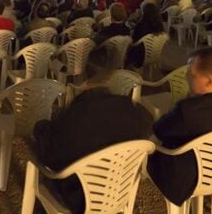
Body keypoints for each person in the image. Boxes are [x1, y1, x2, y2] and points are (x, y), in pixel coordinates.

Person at [33, 56, 149, 214]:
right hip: (119, 189)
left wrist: (40, 129)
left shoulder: (74, 115)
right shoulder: (129, 108)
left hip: (79, 197)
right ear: (110, 79)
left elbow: (50, 157)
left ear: (84, 81)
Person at [148, 47, 212, 206]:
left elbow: (159, 130)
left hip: (187, 178)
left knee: (148, 145)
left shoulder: (188, 110)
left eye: (192, 74)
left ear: (209, 81)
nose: (187, 77)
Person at [127, 3, 166, 68]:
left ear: (144, 12)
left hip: (141, 55)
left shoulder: (141, 24)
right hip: (155, 52)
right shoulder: (160, 25)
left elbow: (134, 40)